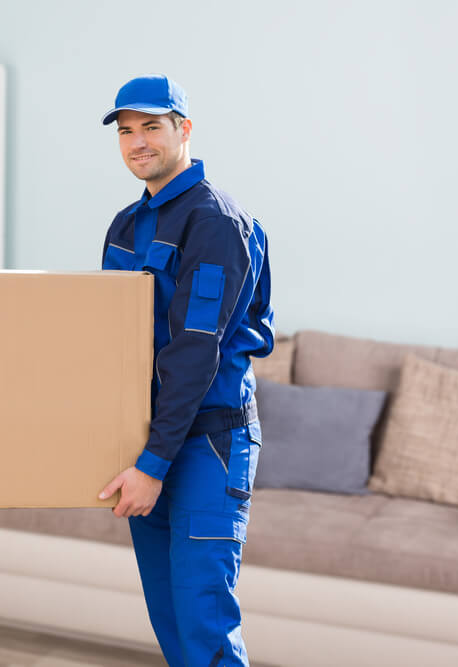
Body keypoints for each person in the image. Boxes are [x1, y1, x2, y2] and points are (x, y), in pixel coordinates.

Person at [97, 74, 275, 666]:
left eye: (151, 126)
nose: (136, 142)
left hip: (206, 443)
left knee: (203, 625)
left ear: (184, 130)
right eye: (126, 131)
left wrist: (152, 463)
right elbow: (111, 342)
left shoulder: (216, 223)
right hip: (147, 440)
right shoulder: (126, 224)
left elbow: (195, 354)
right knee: (171, 622)